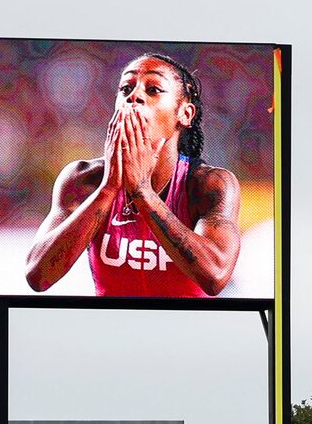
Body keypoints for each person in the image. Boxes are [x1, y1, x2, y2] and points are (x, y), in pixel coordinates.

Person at [22, 54, 242, 298]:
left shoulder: (209, 185)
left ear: (185, 113)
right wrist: (108, 188)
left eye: (154, 89)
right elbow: (38, 276)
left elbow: (215, 277)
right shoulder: (84, 180)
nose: (134, 96)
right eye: (126, 88)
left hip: (185, 331)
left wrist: (142, 192)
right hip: (111, 330)